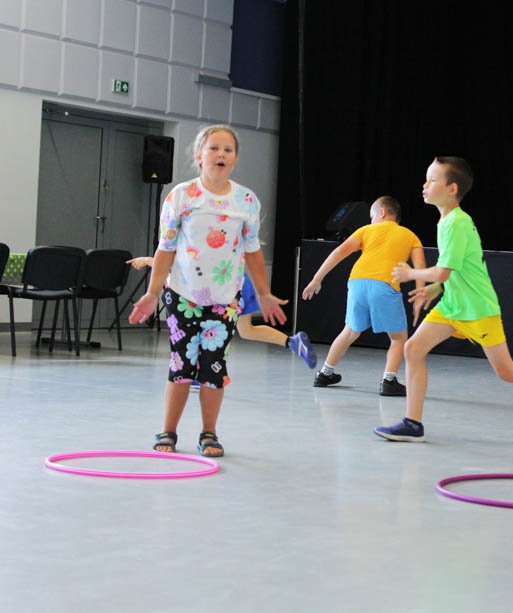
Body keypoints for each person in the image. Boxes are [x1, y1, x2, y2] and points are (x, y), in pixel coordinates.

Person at [128, 124, 286, 457]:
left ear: (235, 158)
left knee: (214, 367)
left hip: (224, 299)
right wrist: (153, 292)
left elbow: (253, 251)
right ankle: (168, 431)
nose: (220, 154)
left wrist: (264, 292)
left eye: (228, 150)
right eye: (214, 148)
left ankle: (209, 433)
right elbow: (166, 248)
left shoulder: (246, 201)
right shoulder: (181, 196)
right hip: (182, 295)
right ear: (199, 155)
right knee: (181, 364)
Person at [374, 157, 513, 441]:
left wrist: (411, 273)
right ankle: (412, 423)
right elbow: (456, 269)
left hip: (477, 308)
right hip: (452, 305)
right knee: (413, 349)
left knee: (506, 371)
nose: (425, 185)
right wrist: (435, 289)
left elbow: (443, 271)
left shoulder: (456, 222)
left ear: (452, 188)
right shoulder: (446, 221)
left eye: (432, 180)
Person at [301, 196, 425, 396]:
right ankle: (389, 381)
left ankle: (324, 374)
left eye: (371, 216)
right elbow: (419, 267)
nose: (371, 220)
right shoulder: (410, 236)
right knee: (398, 337)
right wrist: (419, 293)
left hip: (357, 282)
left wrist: (317, 279)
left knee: (349, 331)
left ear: (381, 213)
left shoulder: (365, 230)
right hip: (384, 284)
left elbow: (339, 252)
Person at [129, 257, 316, 369]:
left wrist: (147, 260)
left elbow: (168, 263)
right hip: (237, 282)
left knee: (209, 329)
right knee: (247, 330)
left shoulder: (184, 262)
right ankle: (293, 342)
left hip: (226, 286)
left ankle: (201, 372)